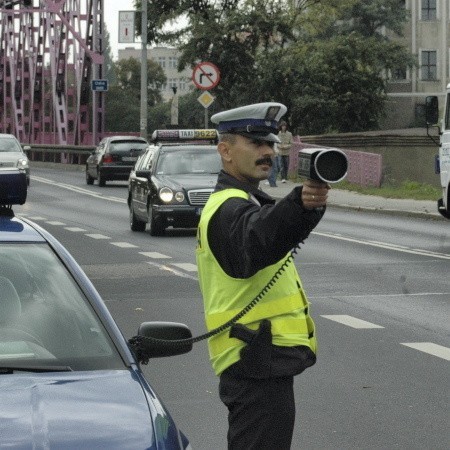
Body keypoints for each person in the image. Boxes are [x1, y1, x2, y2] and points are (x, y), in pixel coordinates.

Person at [196, 102, 329, 449]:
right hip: (253, 361)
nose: (267, 151)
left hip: (261, 360)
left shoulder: (248, 201)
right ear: (225, 150)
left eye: (269, 143)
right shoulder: (227, 207)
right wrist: (297, 205)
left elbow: (268, 232)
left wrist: (305, 207)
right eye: (255, 143)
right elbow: (256, 241)